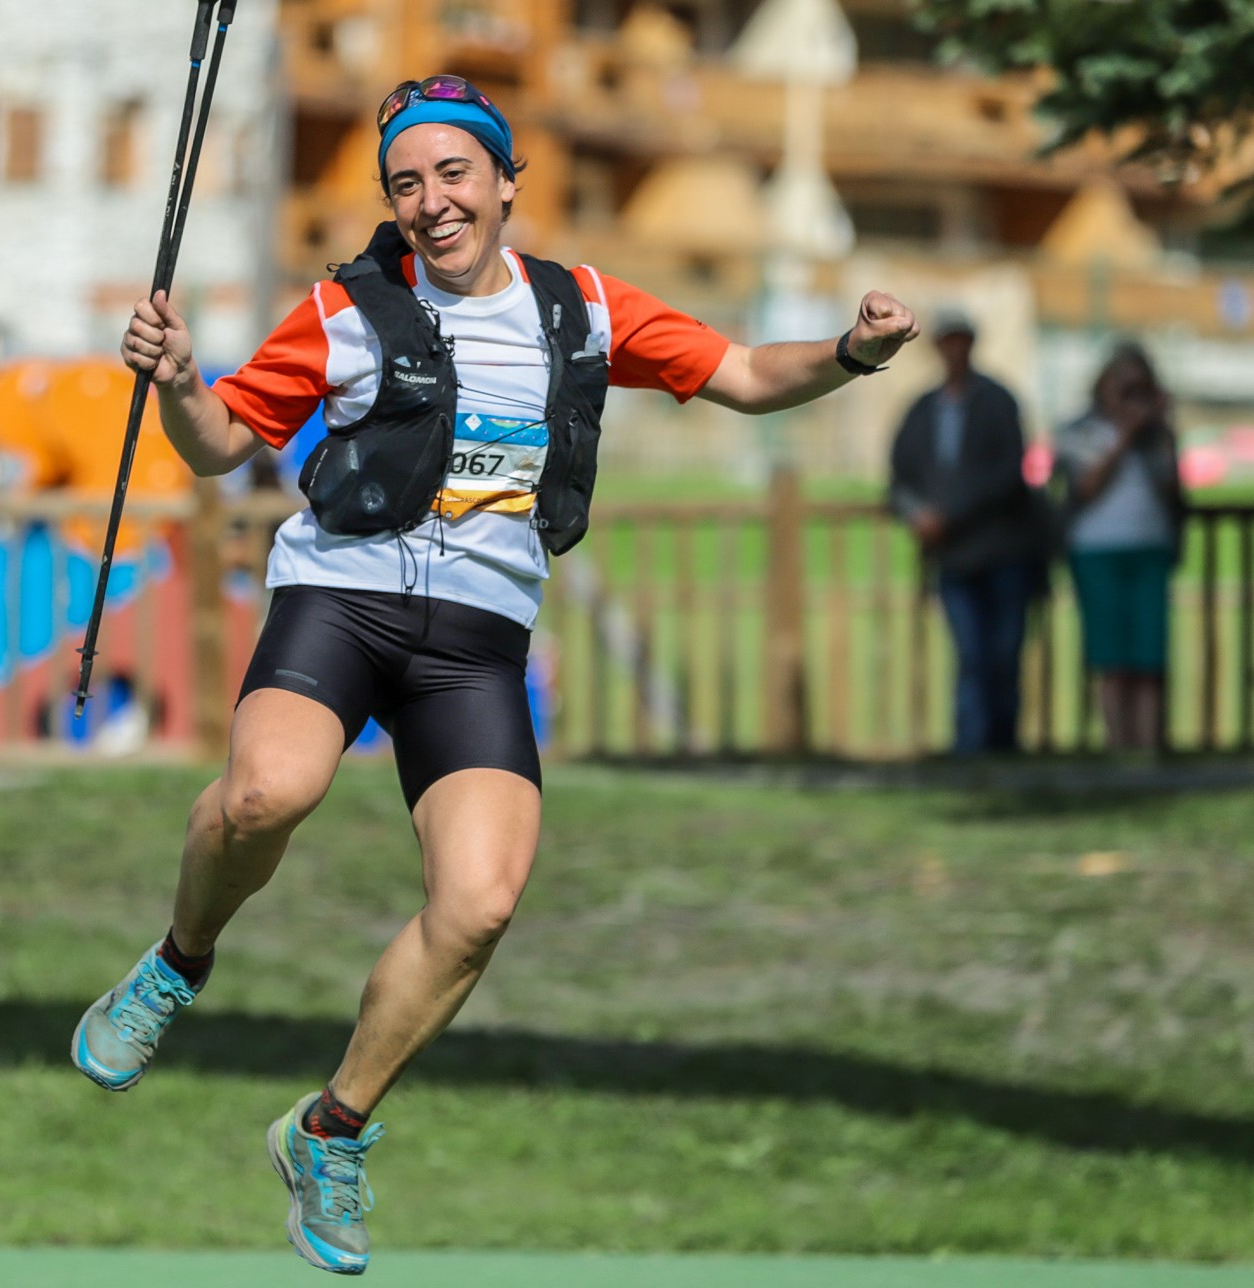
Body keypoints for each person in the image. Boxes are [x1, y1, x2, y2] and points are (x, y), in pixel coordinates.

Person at [74, 74, 919, 1276]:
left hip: (474, 643)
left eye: (453, 174)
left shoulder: (582, 311)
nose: (430, 201)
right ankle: (177, 960)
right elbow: (217, 447)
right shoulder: (341, 312)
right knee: (265, 792)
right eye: (405, 184)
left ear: (506, 182)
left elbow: (740, 372)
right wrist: (172, 382)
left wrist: (850, 352)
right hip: (340, 600)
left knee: (477, 904)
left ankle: (328, 1130)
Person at [888, 312, 1047, 755]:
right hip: (953, 557)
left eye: (962, 340)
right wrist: (918, 515)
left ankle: (1001, 745)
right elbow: (899, 479)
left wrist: (950, 516)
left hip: (1004, 551)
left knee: (1004, 654)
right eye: (948, 341)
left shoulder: (997, 401)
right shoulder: (921, 410)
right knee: (971, 655)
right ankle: (972, 746)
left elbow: (1008, 476)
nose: (955, 349)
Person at [1053, 342, 1183, 750]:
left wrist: (1157, 427)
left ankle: (1148, 749)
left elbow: (1170, 486)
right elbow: (1085, 487)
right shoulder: (1080, 430)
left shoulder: (1157, 433)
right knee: (1111, 658)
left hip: (1150, 545)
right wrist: (1124, 436)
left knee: (1149, 657)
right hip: (1096, 548)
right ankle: (1118, 748)